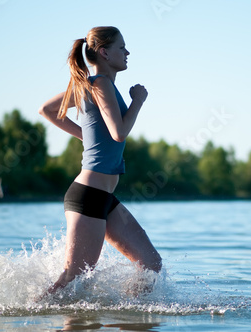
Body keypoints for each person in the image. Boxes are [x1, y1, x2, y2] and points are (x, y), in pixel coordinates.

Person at [38, 26, 162, 295]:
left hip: (104, 198)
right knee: (72, 278)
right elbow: (118, 133)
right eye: (121, 47)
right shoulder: (101, 84)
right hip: (89, 195)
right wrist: (137, 102)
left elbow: (47, 110)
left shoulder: (92, 86)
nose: (127, 52)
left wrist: (85, 136)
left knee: (150, 264)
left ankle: (129, 317)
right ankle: (30, 312)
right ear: (104, 52)